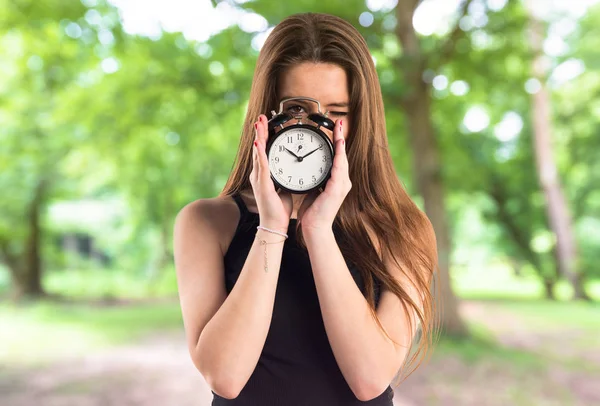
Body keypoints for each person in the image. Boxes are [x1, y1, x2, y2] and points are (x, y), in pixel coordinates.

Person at [173, 12, 440, 406]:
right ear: (264, 119)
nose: (316, 128)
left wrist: (318, 230)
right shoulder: (207, 223)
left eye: (336, 112)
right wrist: (271, 228)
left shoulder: (403, 229)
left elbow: (370, 379)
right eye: (296, 111)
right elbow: (225, 377)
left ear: (362, 117)